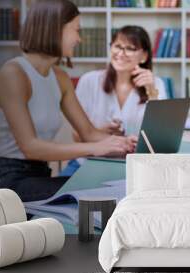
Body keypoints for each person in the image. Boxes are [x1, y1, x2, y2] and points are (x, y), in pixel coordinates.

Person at [0, 0, 136, 202]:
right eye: (76, 30)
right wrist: (95, 148)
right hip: (8, 181)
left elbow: (89, 133)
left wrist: (123, 144)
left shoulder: (60, 77)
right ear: (55, 29)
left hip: (40, 174)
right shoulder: (13, 74)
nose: (79, 39)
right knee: (98, 191)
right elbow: (30, 147)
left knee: (112, 185)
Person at [59, 25, 167, 176]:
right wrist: (100, 131)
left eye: (130, 48)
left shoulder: (156, 84)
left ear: (144, 56)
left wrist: (152, 92)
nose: (121, 53)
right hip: (88, 163)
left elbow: (161, 139)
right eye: (117, 46)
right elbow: (76, 136)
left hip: (133, 167)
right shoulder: (89, 80)